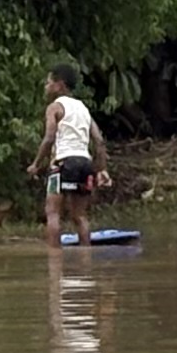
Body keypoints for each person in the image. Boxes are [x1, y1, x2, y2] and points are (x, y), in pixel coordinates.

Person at [39, 64, 109, 244]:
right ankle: (86, 260)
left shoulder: (54, 108)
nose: (46, 86)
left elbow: (49, 138)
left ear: (59, 85)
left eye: (49, 83)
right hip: (85, 164)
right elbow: (99, 141)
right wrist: (101, 169)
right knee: (80, 216)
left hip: (62, 164)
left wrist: (36, 163)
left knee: (53, 213)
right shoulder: (83, 109)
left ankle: (54, 262)